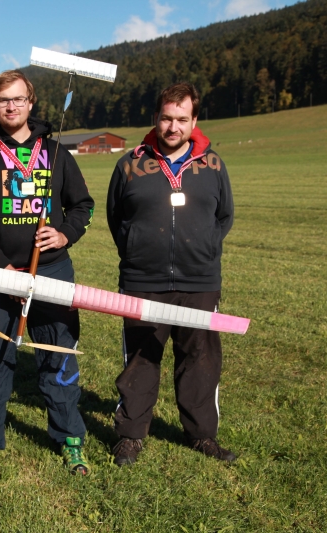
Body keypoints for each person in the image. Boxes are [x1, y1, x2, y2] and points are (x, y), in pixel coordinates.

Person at [0, 70, 95, 484]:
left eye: (18, 99)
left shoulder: (56, 153)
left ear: (31, 103)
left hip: (52, 272)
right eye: (3, 100)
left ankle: (70, 439)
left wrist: (65, 233)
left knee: (59, 356)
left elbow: (83, 206)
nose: (11, 106)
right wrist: (3, 269)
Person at [106, 82, 236, 466]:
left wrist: (204, 250)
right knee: (140, 360)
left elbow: (224, 216)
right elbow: (116, 218)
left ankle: (202, 435)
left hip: (200, 282)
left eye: (182, 119)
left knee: (200, 359)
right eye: (166, 118)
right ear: (156, 118)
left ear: (194, 121)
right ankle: (130, 436)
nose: (173, 127)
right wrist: (137, 251)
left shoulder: (213, 165)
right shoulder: (129, 164)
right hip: (143, 282)